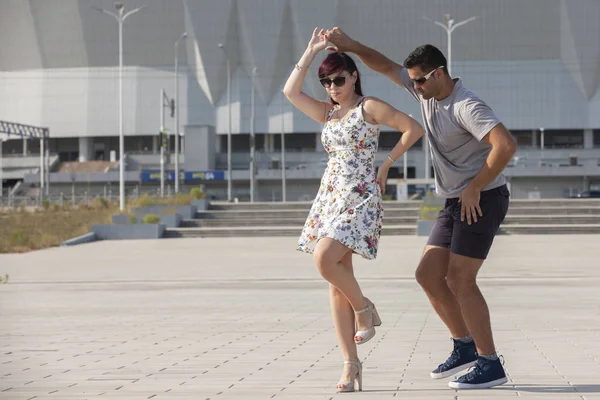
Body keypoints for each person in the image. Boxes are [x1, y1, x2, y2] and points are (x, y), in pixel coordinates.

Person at [325, 28, 517, 390]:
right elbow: (383, 65)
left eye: (419, 81)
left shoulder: (466, 105)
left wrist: (476, 186)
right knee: (428, 275)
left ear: (439, 74)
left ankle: (490, 363)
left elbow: (505, 146)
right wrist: (352, 45)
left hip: (482, 198)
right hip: (454, 200)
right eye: (412, 81)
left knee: (460, 279)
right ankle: (464, 345)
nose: (415, 88)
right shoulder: (425, 90)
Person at [283, 28, 424, 393]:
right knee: (335, 280)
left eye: (339, 79)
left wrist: (387, 164)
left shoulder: (368, 107)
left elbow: (412, 128)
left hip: (360, 196)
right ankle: (350, 365)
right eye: (326, 81)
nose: (333, 86)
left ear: (354, 76)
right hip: (330, 198)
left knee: (325, 259)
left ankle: (364, 310)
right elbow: (290, 92)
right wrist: (311, 52)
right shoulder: (328, 113)